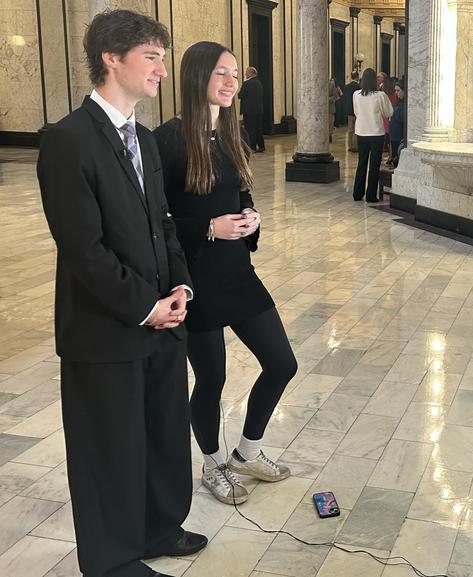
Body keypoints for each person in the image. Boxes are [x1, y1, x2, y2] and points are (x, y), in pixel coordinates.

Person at [37, 9, 206, 577]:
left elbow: (163, 221)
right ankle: (111, 561)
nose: (162, 70)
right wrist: (144, 306)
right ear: (112, 59)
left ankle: (158, 527)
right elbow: (83, 249)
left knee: (160, 432)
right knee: (109, 448)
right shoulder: (68, 141)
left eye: (161, 57)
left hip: (163, 316)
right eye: (151, 58)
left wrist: (179, 285)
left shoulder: (144, 139)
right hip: (107, 328)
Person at [154, 41, 297, 506]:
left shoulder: (231, 133)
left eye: (234, 73)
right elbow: (155, 221)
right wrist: (207, 228)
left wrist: (250, 217)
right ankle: (213, 465)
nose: (231, 82)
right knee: (211, 380)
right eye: (221, 73)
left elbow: (241, 197)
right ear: (197, 77)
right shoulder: (167, 141)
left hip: (237, 271)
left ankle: (247, 452)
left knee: (282, 363)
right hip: (194, 279)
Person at [352, 67, 393, 203]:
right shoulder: (380, 96)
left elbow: (356, 112)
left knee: (361, 162)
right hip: (376, 132)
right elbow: (388, 113)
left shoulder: (356, 94)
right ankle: (371, 195)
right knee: (374, 164)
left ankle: (357, 193)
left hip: (361, 132)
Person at [238, 66, 264, 152]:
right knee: (258, 128)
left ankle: (252, 147)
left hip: (249, 111)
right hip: (258, 110)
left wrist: (243, 85)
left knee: (250, 129)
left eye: (247, 72)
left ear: (251, 73)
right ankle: (261, 146)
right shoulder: (259, 83)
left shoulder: (247, 83)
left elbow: (240, 95)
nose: (245, 74)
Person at [388, 81, 405, 167]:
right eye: (395, 90)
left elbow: (401, 118)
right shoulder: (399, 102)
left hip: (399, 134)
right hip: (394, 135)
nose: (396, 93)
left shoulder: (404, 104)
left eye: (398, 90)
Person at [343, 70, 360, 152]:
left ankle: (349, 146)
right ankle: (356, 146)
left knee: (350, 129)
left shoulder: (346, 87)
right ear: (357, 77)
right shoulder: (359, 86)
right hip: (357, 109)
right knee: (357, 128)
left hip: (349, 109)